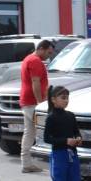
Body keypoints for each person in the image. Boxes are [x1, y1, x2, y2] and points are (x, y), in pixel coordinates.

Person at [38, 85, 84, 181]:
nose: (66, 100)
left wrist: (78, 138)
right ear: (53, 100)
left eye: (67, 98)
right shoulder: (51, 118)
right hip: (59, 155)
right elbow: (47, 138)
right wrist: (65, 141)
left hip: (72, 154)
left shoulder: (70, 116)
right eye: (63, 98)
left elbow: (76, 131)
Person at [19, 40, 54, 173]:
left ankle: (26, 163)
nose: (49, 56)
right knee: (44, 130)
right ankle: (47, 161)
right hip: (33, 102)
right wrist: (41, 103)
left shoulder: (28, 59)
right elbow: (36, 82)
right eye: (48, 52)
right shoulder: (35, 61)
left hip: (27, 100)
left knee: (29, 132)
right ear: (41, 49)